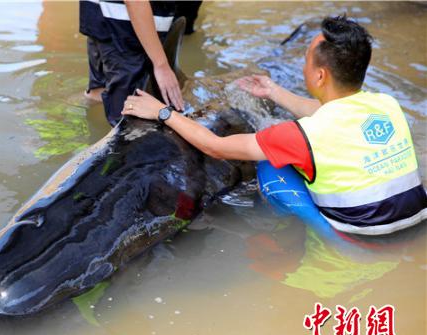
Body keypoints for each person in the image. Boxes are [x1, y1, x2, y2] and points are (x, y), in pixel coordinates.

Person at [121, 15, 427, 236]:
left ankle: (300, 231)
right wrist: (274, 92)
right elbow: (326, 111)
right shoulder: (386, 103)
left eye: (307, 58)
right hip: (415, 219)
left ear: (320, 76)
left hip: (359, 239)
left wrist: (162, 112)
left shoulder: (300, 135)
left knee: (270, 166)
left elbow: (214, 147)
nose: (303, 64)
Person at [79, 0, 185, 126]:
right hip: (127, 27)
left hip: (100, 14)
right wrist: (161, 65)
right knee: (129, 122)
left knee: (98, 92)